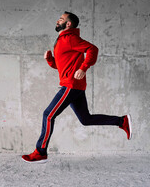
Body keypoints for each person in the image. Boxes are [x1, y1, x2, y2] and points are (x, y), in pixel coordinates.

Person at [22, 11, 132, 163]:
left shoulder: (70, 38)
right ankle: (122, 121)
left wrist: (84, 67)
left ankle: (40, 152)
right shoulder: (61, 40)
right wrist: (50, 60)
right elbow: (62, 67)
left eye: (60, 19)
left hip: (71, 85)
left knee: (48, 114)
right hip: (75, 85)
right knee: (85, 119)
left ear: (68, 24)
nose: (57, 21)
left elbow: (93, 49)